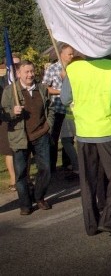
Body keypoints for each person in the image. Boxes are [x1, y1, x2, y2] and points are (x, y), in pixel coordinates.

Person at [61, 55, 111, 237]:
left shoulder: (73, 68)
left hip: (84, 131)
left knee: (87, 180)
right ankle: (108, 219)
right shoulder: (110, 67)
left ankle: (91, 225)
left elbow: (65, 99)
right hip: (107, 130)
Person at [2, 60, 54, 215]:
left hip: (41, 134)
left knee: (45, 169)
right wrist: (13, 111)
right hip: (20, 136)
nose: (30, 75)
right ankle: (25, 204)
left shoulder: (42, 89)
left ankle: (39, 197)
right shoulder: (10, 91)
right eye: (26, 72)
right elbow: (2, 113)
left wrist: (48, 125)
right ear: (18, 74)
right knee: (21, 174)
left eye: (32, 71)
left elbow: (50, 108)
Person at [42, 43, 75, 172]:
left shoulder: (74, 68)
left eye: (72, 54)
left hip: (70, 109)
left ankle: (67, 163)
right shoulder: (52, 68)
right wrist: (62, 91)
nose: (72, 56)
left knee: (69, 137)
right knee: (53, 138)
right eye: (69, 54)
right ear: (61, 54)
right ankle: (51, 166)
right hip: (57, 107)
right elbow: (45, 88)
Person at [0, 54, 20, 192]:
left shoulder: (24, 79)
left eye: (18, 64)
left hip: (22, 118)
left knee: (24, 149)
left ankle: (25, 177)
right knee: (9, 151)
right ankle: (13, 179)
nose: (15, 67)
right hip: (6, 119)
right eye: (13, 65)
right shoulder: (2, 82)